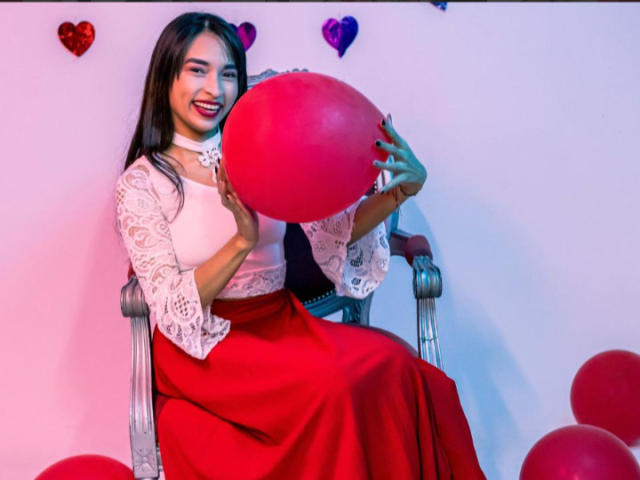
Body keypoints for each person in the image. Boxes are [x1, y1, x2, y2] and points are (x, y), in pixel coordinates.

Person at [115, 11, 485, 480]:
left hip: (280, 324)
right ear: (166, 76)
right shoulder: (143, 184)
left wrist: (400, 191)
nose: (214, 89)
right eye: (197, 70)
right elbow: (171, 310)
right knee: (332, 386)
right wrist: (242, 240)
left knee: (394, 368)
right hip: (206, 352)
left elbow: (336, 232)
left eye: (228, 74)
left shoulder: (262, 149)